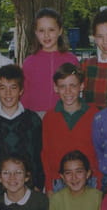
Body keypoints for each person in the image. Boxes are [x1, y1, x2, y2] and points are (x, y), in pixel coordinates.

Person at [0, 64, 44, 197]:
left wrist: (38, 185)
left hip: (29, 189)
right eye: (3, 88)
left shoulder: (33, 120)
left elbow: (39, 154)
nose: (8, 93)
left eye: (13, 88)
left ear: (21, 90)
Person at [40, 63, 101, 196]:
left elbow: (101, 151)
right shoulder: (49, 117)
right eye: (62, 86)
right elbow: (46, 153)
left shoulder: (94, 114)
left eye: (73, 85)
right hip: (59, 181)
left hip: (89, 180)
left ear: (82, 86)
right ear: (56, 88)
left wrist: (99, 181)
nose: (68, 91)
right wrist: (48, 185)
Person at [21, 8, 79, 118]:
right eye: (41, 30)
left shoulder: (71, 60)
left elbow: (77, 89)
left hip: (64, 114)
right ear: (36, 32)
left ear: (60, 31)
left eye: (51, 30)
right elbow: (24, 94)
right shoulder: (29, 62)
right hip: (35, 116)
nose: (46, 35)